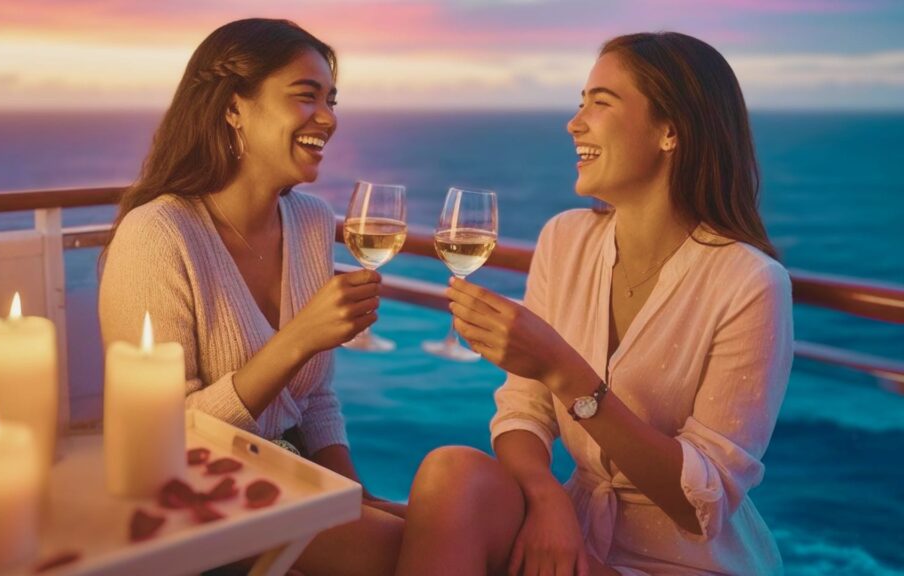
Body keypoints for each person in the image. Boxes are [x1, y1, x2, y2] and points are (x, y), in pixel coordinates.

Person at [396, 32, 793, 576]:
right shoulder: (565, 238)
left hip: (683, 561)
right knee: (451, 473)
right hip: (574, 529)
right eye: (580, 102)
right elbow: (522, 407)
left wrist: (564, 370)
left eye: (600, 103)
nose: (574, 122)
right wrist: (547, 497)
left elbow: (704, 504)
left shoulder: (750, 283)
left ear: (671, 130)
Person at [98, 18, 403, 576]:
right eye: (305, 97)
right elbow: (160, 435)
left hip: (295, 477)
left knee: (458, 512)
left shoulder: (311, 221)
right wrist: (295, 342)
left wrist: (355, 494)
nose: (329, 118)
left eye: (331, 100)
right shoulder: (158, 235)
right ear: (233, 108)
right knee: (410, 551)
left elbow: (315, 402)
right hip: (198, 497)